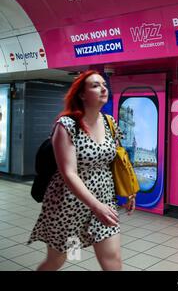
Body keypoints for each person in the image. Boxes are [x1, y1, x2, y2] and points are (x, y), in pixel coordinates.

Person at [28, 70, 135, 271]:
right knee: (58, 260)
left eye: (104, 84)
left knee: (113, 259)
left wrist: (128, 190)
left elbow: (118, 160)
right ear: (82, 95)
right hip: (68, 205)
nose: (103, 88)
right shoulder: (67, 125)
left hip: (104, 201)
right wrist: (96, 205)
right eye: (95, 85)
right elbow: (69, 173)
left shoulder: (109, 122)